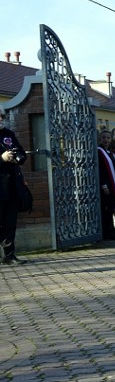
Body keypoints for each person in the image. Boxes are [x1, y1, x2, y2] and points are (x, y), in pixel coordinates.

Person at [0, 106, 28, 264]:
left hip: (12, 185)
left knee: (11, 222)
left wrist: (18, 157)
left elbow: (22, 153)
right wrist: (2, 159)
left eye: (2, 116)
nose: (0, 119)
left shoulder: (8, 134)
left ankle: (9, 255)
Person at [97, 129, 115, 240]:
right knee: (106, 208)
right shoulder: (99, 151)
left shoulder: (109, 152)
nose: (106, 140)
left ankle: (112, 229)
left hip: (112, 184)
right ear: (100, 139)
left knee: (111, 208)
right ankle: (106, 231)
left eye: (107, 138)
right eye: (103, 138)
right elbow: (100, 170)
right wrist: (104, 185)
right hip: (105, 185)